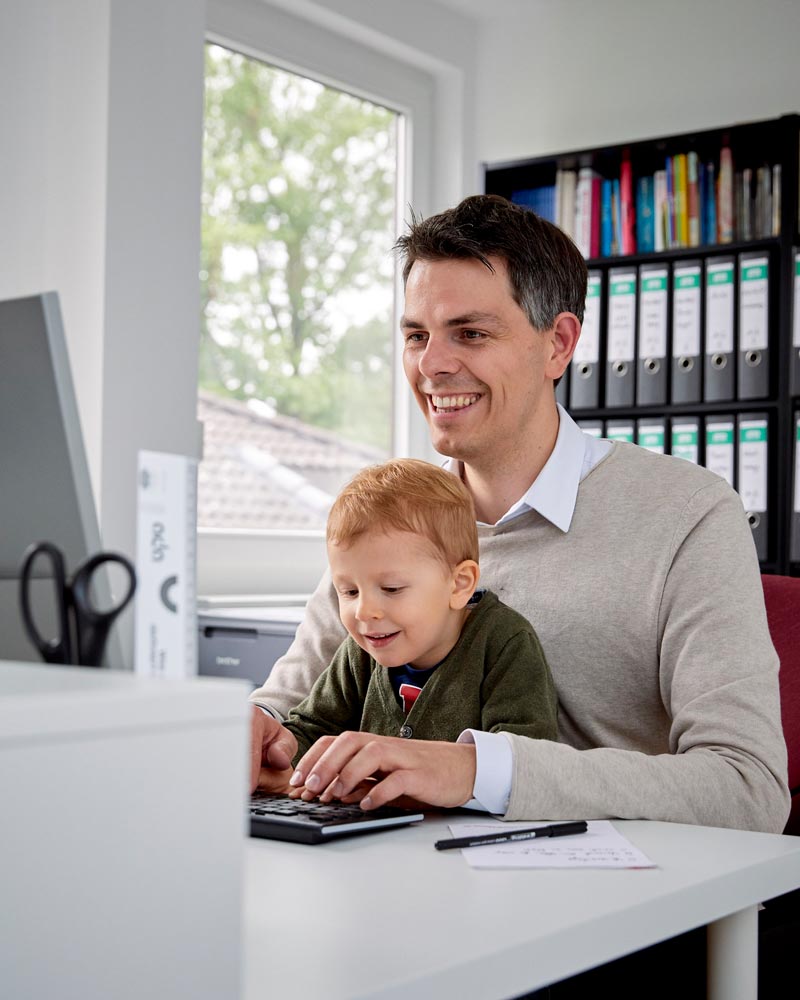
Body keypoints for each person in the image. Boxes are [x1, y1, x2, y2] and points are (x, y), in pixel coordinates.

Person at [250, 194, 789, 838]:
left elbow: (748, 788)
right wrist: (255, 735)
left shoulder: (688, 514)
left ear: (557, 344)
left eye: (470, 333)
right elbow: (285, 711)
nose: (432, 364)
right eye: (417, 335)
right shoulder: (394, 521)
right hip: (396, 875)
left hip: (609, 902)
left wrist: (475, 771)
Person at [256, 457, 558, 798]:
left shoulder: (504, 643)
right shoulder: (360, 651)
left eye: (392, 589)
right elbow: (313, 728)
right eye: (349, 591)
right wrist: (277, 764)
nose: (365, 612)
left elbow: (526, 761)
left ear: (459, 584)